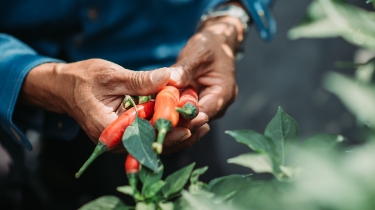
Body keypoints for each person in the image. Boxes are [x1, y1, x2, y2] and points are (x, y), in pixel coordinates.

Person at [0, 0, 275, 209]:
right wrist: (42, 78)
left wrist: (228, 20)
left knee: (194, 192)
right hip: (22, 60)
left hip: (164, 70)